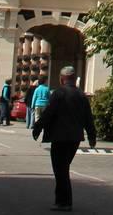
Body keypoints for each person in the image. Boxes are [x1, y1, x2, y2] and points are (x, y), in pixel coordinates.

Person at [32, 66, 97, 212]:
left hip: (59, 137)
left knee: (60, 169)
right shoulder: (81, 95)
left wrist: (37, 127)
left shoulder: (58, 93)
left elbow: (49, 113)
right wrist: (92, 137)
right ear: (74, 79)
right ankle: (62, 200)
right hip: (74, 138)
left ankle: (64, 201)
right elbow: (88, 119)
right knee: (63, 168)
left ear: (61, 79)